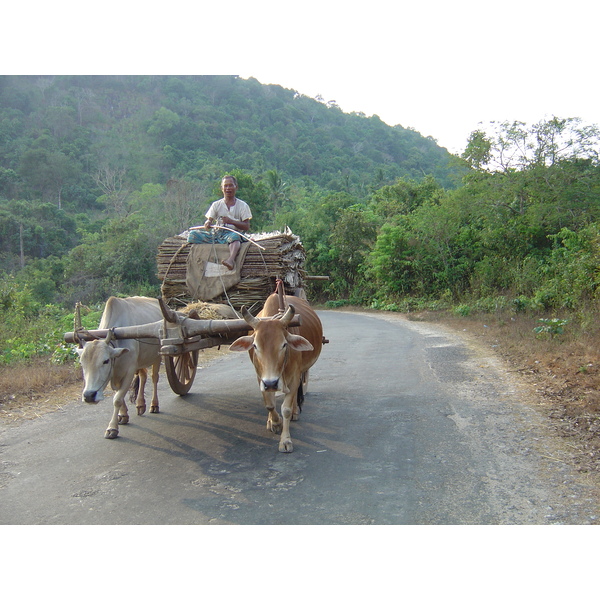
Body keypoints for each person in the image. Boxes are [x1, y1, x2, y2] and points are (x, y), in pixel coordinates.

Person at [187, 175, 252, 270]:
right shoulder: (216, 204)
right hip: (217, 234)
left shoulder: (243, 206)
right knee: (192, 235)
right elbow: (209, 219)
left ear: (236, 187)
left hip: (233, 234)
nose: (228, 188)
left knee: (235, 238)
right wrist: (208, 223)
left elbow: (246, 226)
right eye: (225, 186)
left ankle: (231, 260)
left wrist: (231, 222)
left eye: (230, 185)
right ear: (222, 188)